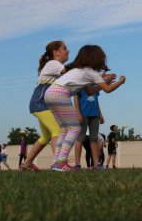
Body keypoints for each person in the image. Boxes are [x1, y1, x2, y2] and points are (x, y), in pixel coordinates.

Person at [45, 45, 125, 172]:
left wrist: (104, 81)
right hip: (61, 94)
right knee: (75, 128)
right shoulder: (92, 73)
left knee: (65, 129)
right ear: (96, 59)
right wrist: (120, 81)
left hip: (50, 93)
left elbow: (89, 91)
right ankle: (61, 162)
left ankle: (56, 162)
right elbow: (107, 90)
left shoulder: (77, 70)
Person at [20, 40, 70, 172]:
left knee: (46, 136)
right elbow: (69, 72)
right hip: (40, 103)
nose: (68, 51)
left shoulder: (54, 66)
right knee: (58, 131)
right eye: (65, 48)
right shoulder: (53, 63)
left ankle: (26, 165)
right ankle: (58, 164)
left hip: (40, 104)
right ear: (56, 52)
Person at [73, 88, 108, 170]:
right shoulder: (80, 84)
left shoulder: (96, 86)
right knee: (80, 138)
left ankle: (96, 164)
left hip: (95, 115)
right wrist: (78, 113)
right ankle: (77, 164)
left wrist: (100, 114)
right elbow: (76, 98)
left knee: (94, 138)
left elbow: (96, 101)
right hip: (83, 114)